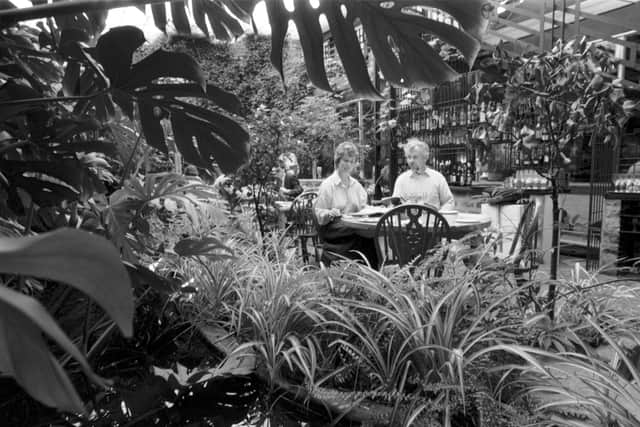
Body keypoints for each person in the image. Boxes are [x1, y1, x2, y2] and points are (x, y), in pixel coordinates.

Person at [314, 141, 378, 267]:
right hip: (335, 229)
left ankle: (370, 278)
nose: (348, 164)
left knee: (372, 238)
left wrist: (374, 210)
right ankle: (367, 274)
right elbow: (319, 214)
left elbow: (363, 207)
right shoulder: (328, 185)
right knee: (365, 239)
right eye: (345, 160)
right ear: (338, 161)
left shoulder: (356, 185)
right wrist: (329, 213)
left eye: (351, 161)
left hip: (354, 226)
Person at [392, 137, 455, 210]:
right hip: (408, 221)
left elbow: (449, 202)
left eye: (415, 157)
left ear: (425, 158)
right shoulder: (402, 180)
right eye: (409, 157)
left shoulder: (437, 178)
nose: (411, 161)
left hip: (432, 220)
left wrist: (440, 216)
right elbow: (395, 206)